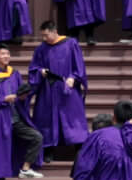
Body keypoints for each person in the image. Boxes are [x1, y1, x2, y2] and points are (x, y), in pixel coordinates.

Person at [0, 47, 45, 180]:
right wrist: (4, 99)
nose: (6, 56)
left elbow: (21, 93)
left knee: (36, 137)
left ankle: (25, 169)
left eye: (8, 53)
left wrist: (22, 96)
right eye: (2, 53)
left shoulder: (14, 74)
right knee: (0, 151)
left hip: (15, 118)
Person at [28, 20, 90, 161]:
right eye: (42, 36)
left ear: (55, 31)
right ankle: (48, 150)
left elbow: (79, 65)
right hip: (48, 90)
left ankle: (79, 150)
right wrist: (40, 71)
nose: (44, 39)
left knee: (73, 118)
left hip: (67, 89)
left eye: (46, 35)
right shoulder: (41, 49)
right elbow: (34, 68)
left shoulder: (71, 44)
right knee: (47, 119)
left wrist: (74, 77)